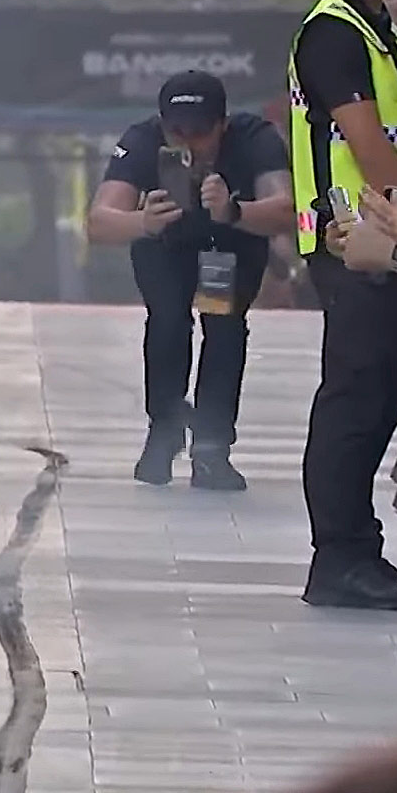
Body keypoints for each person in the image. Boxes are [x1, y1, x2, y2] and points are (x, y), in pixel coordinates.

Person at [288, 0, 397, 611]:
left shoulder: (387, 34)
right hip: (352, 237)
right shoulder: (333, 33)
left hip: (388, 234)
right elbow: (371, 148)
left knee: (379, 392)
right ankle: (339, 557)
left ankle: (357, 548)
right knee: (355, 394)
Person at [86, 70, 293, 490]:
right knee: (167, 321)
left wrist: (234, 211)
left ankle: (212, 446)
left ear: (223, 125)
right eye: (176, 133)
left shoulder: (254, 139)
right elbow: (98, 222)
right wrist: (142, 221)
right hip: (166, 245)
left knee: (224, 327)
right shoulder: (143, 140)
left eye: (200, 133)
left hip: (228, 244)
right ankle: (164, 427)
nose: (188, 144)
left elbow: (287, 209)